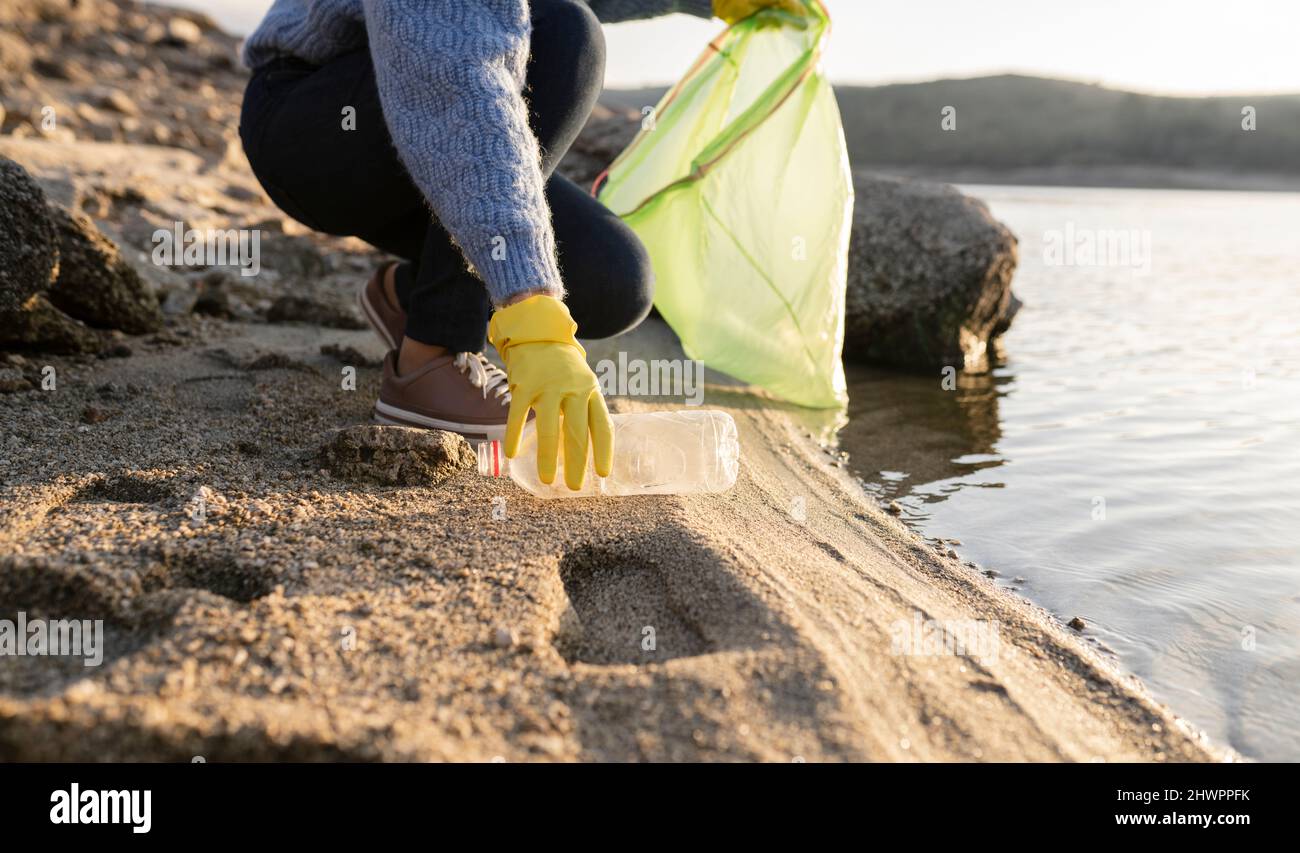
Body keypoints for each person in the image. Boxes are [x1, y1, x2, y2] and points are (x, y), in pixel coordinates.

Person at [239, 0, 801, 490]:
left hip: (429, 119)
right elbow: (458, 70)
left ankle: (407, 298)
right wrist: (530, 307)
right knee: (563, 33)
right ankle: (429, 358)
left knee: (615, 280)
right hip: (318, 125)